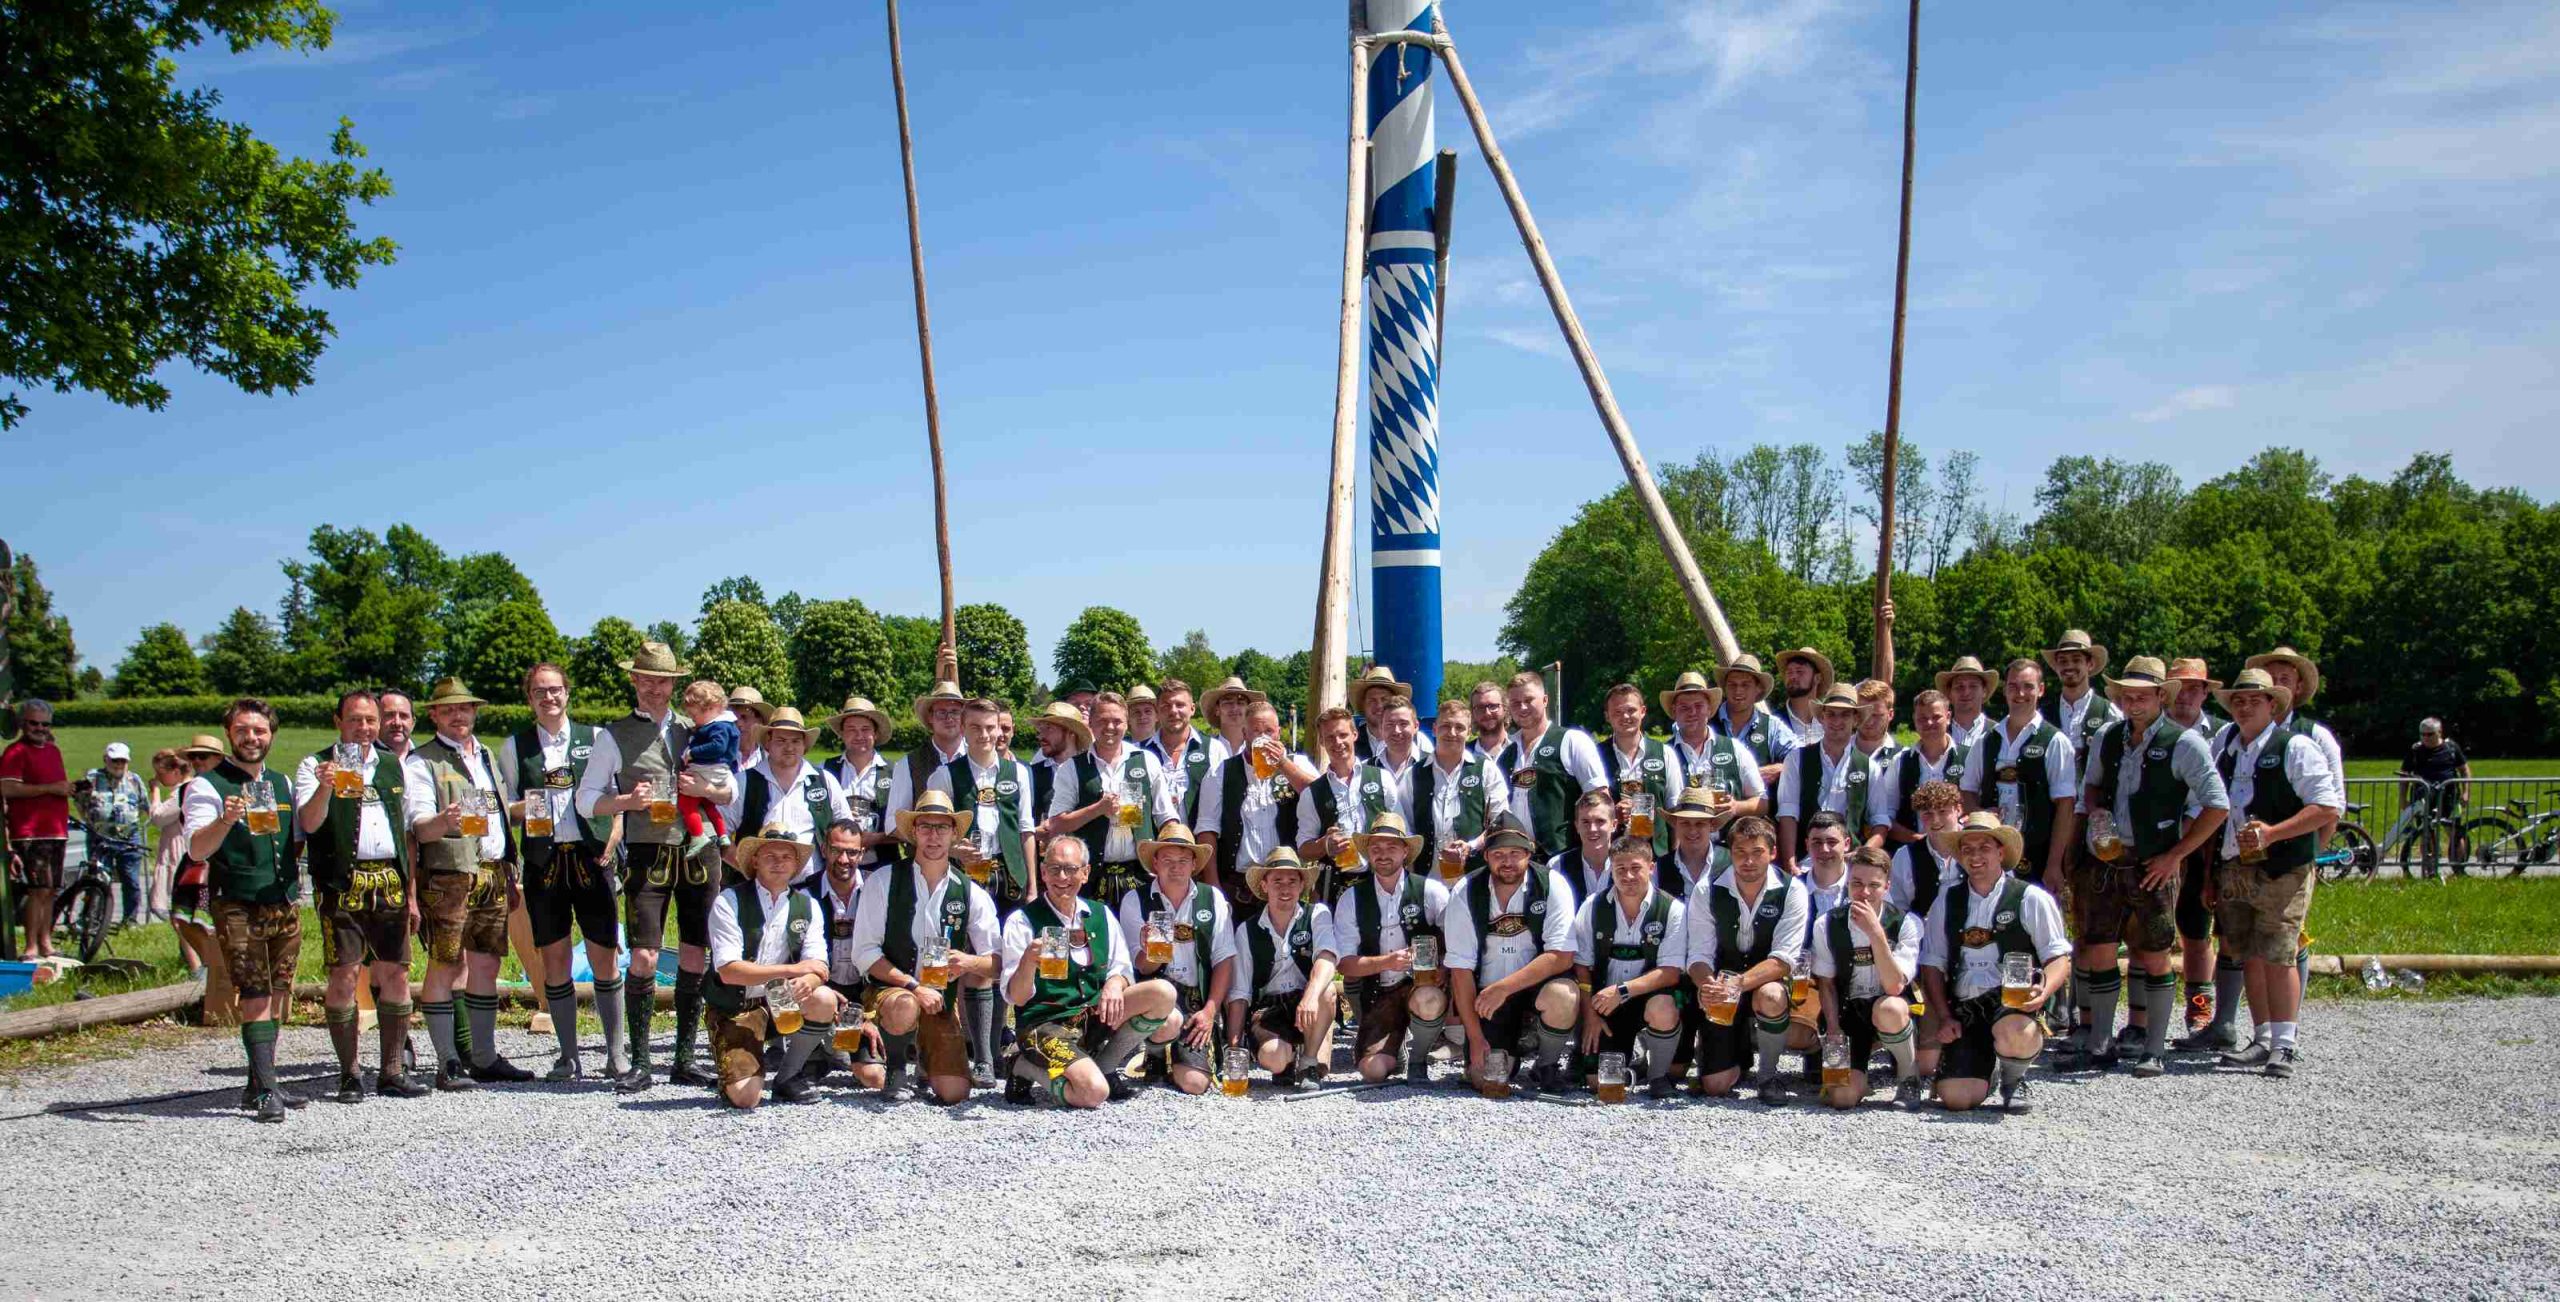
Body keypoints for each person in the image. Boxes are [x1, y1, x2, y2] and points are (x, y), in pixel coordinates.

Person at [572, 640, 737, 1092]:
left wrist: (710, 792)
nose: (653, 688)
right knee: (644, 955)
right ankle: (641, 1062)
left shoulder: (696, 726)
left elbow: (731, 789)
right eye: (645, 679)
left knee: (695, 951)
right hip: (648, 850)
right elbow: (585, 800)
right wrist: (626, 801)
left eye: (662, 681)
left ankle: (684, 1058)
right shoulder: (613, 735)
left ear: (673, 684)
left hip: (699, 849)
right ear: (634, 680)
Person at [2069, 656, 2229, 1077]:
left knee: (2156, 953)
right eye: (2127, 695)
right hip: (2106, 861)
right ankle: (2100, 1043)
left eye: (2142, 695)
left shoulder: (2185, 742)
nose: (2133, 702)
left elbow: (2218, 805)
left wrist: (2176, 854)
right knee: (2100, 949)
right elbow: (2091, 786)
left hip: (2153, 862)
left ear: (2161, 696)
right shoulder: (2107, 736)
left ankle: (2153, 1047)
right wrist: (2095, 813)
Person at [296, 690, 439, 1103]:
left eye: (370, 720)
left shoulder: (393, 765)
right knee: (344, 974)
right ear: (338, 721)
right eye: (355, 720)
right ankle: (349, 1073)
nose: (364, 728)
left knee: (396, 974)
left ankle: (392, 1070)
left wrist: (411, 894)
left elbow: (407, 833)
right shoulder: (314, 764)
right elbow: (309, 823)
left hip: (390, 880)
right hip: (342, 882)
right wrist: (325, 787)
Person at [496, 662, 631, 1084]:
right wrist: (534, 801)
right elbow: (505, 809)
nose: (548, 697)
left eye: (555, 689)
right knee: (554, 959)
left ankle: (615, 1053)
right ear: (529, 698)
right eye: (539, 691)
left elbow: (617, 797)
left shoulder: (597, 738)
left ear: (567, 693)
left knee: (604, 954)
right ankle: (568, 1056)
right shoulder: (515, 746)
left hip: (591, 856)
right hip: (545, 860)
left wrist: (614, 837)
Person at [2208, 668, 2342, 1079]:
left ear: (2272, 704)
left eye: (2254, 700)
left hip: (2282, 865)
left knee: (2279, 952)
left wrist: (2273, 833)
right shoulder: (2226, 747)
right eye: (2238, 701)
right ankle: (2263, 1037)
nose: (2244, 707)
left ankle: (2285, 1044)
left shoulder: (2296, 746)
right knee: (2247, 950)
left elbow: (2327, 807)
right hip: (2235, 864)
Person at [182, 699, 307, 1121]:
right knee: (254, 993)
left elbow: (294, 841)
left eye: (259, 730)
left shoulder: (281, 782)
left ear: (271, 735)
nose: (252, 737)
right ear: (229, 734)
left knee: (278, 992)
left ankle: (260, 1083)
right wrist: (224, 820)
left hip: (282, 899)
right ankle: (267, 1090)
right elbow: (197, 849)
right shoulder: (207, 786)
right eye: (242, 730)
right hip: (237, 901)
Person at [407, 677, 532, 1087]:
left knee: (486, 963)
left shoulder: (486, 755)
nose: (457, 715)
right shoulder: (422, 761)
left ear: (475, 711)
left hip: (492, 871)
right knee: (445, 963)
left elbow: (498, 814)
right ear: (434, 715)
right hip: (449, 875)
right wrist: (444, 821)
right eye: (448, 710)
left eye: (464, 708)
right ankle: (447, 1062)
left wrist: (527, 816)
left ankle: (483, 1056)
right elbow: (419, 827)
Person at [849, 789, 1000, 1104]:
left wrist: (969, 963)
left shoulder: (970, 892)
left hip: (939, 1000)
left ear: (954, 834)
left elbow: (998, 961)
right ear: (913, 832)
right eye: (926, 827)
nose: (933, 836)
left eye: (942, 827)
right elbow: (864, 953)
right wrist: (914, 986)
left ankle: (924, 1059)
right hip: (892, 992)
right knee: (905, 1004)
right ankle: (895, 1068)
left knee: (955, 1093)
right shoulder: (883, 880)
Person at [1916, 812, 2073, 1113]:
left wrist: (2043, 992)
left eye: (1984, 848)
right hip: (1966, 1007)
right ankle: (1991, 1068)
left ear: (2001, 852)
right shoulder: (1946, 901)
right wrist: (1945, 1016)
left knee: (2016, 1032)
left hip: (2011, 1003)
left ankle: (2014, 1078)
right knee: (1957, 1099)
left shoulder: (2030, 898)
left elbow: (2058, 958)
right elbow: (1932, 966)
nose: (1975, 856)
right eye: (1967, 849)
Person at [1003, 836, 1177, 1107]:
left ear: (1085, 873)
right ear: (1043, 872)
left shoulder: (1100, 914)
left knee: (1163, 994)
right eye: (1054, 869)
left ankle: (1106, 1067)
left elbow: (1122, 968)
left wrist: (1114, 984)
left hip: (1090, 1017)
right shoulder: (1022, 921)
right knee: (1092, 1093)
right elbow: (1017, 998)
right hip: (1044, 1025)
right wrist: (1027, 962)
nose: (1062, 877)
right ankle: (1023, 1066)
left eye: (1071, 869)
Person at [927, 698, 1035, 1086]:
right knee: (973, 960)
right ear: (963, 729)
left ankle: (994, 1047)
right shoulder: (945, 775)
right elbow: (934, 830)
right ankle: (981, 1055)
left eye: (992, 728)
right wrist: (954, 850)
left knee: (1004, 958)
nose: (985, 735)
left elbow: (1026, 829)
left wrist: (1033, 885)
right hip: (966, 877)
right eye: (976, 728)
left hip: (1008, 876)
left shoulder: (1017, 772)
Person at [1442, 814, 1580, 1093]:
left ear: (1529, 852)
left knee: (1564, 995)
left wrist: (1505, 988)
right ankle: (1512, 1050)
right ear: (1486, 856)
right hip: (1488, 996)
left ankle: (1547, 1064)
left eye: (1515, 853)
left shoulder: (1552, 884)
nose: (1507, 861)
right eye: (1498, 854)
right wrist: (1475, 1038)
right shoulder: (1466, 891)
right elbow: (1460, 970)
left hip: (1535, 989)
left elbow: (1561, 955)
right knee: (1487, 1079)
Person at [703, 828, 840, 1109]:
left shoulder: (808, 905)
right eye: (770, 856)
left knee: (824, 999)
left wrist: (810, 980)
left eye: (786, 856)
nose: (779, 862)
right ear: (754, 860)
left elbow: (819, 966)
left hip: (780, 1001)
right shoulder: (729, 900)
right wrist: (794, 971)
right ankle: (736, 1068)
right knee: (746, 1098)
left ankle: (788, 1076)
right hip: (735, 1007)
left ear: (796, 864)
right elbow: (729, 971)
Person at [1682, 815, 1809, 1104]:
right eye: (1740, 852)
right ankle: (1737, 1054)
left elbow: (1783, 959)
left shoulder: (1792, 890)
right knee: (1716, 1086)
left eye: (1757, 852)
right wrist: (1708, 986)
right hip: (1722, 986)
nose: (1748, 861)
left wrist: (1737, 984)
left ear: (1773, 853)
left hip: (1764, 982)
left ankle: (1768, 1075)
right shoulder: (1707, 889)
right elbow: (1699, 954)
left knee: (1772, 995)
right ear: (1730, 853)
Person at [1330, 812, 1451, 1084]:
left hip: (1420, 986)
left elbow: (1457, 942)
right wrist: (1388, 962)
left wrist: (1443, 968)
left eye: (1391, 847)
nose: (1383, 854)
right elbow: (1345, 965)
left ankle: (1418, 1059)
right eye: (1376, 848)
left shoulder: (1431, 891)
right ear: (1368, 854)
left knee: (1429, 999)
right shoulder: (1351, 898)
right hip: (1377, 992)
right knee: (1372, 1072)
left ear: (1405, 851)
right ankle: (1396, 1050)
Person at [1116, 820, 1233, 1094]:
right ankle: (1156, 1051)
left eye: (1183, 860)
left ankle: (1170, 1058)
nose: (1175, 867)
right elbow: (1141, 967)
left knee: (1195, 1084)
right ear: (1155, 863)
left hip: (1195, 1001)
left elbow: (1224, 959)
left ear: (1194, 864)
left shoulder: (1212, 898)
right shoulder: (1135, 900)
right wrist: (1151, 950)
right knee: (1168, 1020)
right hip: (1156, 996)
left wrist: (1210, 1011)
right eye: (1167, 860)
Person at [1571, 834, 1688, 1099]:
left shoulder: (1672, 909)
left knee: (1664, 1007)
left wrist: (1622, 991)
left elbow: (1671, 972)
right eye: (1620, 869)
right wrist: (1590, 1016)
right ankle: (1633, 1058)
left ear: (1651, 867)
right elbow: (1581, 966)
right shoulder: (1592, 906)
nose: (1628, 876)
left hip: (1647, 997)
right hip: (1604, 1004)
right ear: (1611, 870)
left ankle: (1658, 1076)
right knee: (1598, 1083)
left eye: (1636, 868)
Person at [1811, 846, 1924, 1109]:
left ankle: (1909, 1078)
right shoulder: (1826, 924)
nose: (1864, 892)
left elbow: (1895, 986)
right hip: (1849, 1013)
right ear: (1847, 884)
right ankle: (1861, 1080)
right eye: (1857, 883)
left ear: (1887, 887)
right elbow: (1826, 984)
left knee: (1890, 1008)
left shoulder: (1906, 923)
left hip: (1891, 1009)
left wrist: (1875, 933)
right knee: (1842, 1099)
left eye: (1874, 885)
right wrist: (1833, 1029)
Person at [1041, 692, 1178, 908]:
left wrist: (1174, 853)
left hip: (1141, 874)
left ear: (1127, 723)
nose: (1110, 727)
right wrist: (1097, 809)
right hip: (1091, 877)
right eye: (1103, 721)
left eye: (1117, 721)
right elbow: (1056, 825)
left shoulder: (1146, 761)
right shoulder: (1072, 767)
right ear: (1091, 723)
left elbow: (1166, 816)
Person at [1224, 848, 1342, 1091]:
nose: (1285, 888)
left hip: (1306, 1001)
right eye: (1277, 881)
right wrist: (1234, 1047)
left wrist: (1310, 996)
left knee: (1327, 990)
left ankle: (1309, 1062)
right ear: (1264, 885)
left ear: (1302, 886)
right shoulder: (1246, 930)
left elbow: (1327, 957)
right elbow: (1240, 992)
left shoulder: (1316, 914)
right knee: (1274, 1059)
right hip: (1268, 1008)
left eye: (1292, 881)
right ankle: (1286, 1060)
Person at [1963, 659, 2079, 894]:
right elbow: (1966, 790)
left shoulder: (2055, 741)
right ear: (2005, 690)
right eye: (2014, 686)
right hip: (1990, 855)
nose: (2020, 693)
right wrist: (1979, 815)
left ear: (2041, 690)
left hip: (2039, 856)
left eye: (2028, 686)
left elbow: (2066, 807)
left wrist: (2054, 864)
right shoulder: (1985, 741)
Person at [2163, 657, 2231, 1038]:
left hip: (2205, 843)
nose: (2185, 696)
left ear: (2205, 692)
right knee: (2148, 931)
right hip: (2158, 841)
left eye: (2193, 688)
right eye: (2178, 688)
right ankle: (2145, 1017)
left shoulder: (2221, 735)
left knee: (2197, 928)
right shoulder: (2153, 729)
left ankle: (2200, 1009)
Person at [721, 706, 855, 885]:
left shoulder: (825, 781)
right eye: (781, 741)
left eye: (795, 741)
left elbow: (847, 831)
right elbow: (719, 834)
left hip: (813, 886)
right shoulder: (743, 782)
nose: (789, 747)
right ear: (767, 743)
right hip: (756, 887)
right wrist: (746, 869)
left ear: (804, 745)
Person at [1196, 699, 1315, 899]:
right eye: (1256, 731)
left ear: (1279, 732)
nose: (1263, 737)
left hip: (1287, 883)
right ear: (1244, 734)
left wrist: (1283, 764)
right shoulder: (1220, 772)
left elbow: (1320, 796)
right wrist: (1213, 887)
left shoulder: (1298, 764)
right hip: (1237, 886)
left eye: (1268, 731)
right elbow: (1207, 830)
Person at [805, 821, 887, 1090]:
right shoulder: (803, 893)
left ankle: (839, 1051)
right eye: (836, 850)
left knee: (874, 1079)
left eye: (852, 852)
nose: (843, 859)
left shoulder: (879, 888)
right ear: (823, 849)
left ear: (862, 853)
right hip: (820, 992)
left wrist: (869, 1017)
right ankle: (818, 1049)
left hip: (863, 993)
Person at [1774, 684, 1887, 872]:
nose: (1837, 721)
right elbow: (1788, 814)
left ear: (1856, 719)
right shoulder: (1796, 759)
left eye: (1845, 715)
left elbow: (1880, 822)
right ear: (1822, 717)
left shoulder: (1869, 767)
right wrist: (1790, 863)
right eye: (1831, 714)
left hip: (1850, 865)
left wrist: (1862, 855)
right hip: (1806, 863)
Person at [1497, 670, 1608, 860]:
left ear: (1545, 700)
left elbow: (1600, 799)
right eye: (1515, 703)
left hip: (1565, 856)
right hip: (1518, 859)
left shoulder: (1572, 740)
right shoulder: (1506, 753)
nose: (1522, 707)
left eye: (1529, 700)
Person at [1294, 707, 1394, 901]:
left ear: (1355, 734)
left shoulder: (1382, 778)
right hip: (1333, 886)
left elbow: (1401, 830)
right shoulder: (1311, 793)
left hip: (1380, 881)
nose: (1337, 742)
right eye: (1330, 737)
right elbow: (1304, 850)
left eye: (1342, 735)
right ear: (1322, 742)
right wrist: (1325, 844)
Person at [0, 699, 72, 958]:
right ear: (23, 723)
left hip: (56, 829)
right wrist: (50, 788)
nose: (40, 728)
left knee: (51, 890)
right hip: (31, 831)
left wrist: (67, 789)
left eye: (45, 724)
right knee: (38, 889)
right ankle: (31, 946)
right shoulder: (16, 752)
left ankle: (46, 942)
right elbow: (7, 787)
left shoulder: (53, 751)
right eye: (34, 723)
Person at [1659, 670, 1767, 827]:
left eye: (1698, 706)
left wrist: (1736, 807)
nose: (1692, 712)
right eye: (1684, 707)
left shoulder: (1734, 748)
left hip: (1728, 841)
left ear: (1709, 709)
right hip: (1681, 840)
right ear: (1674, 711)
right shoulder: (1662, 754)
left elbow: (1762, 802)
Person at [1420, 702, 1509, 884]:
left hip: (1474, 880)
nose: (1452, 733)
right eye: (1445, 726)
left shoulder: (1486, 769)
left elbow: (1501, 822)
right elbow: (1405, 828)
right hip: (1426, 882)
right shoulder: (1413, 774)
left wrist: (1471, 846)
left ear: (1469, 732)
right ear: (1435, 729)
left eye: (1459, 727)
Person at [883, 680, 971, 860]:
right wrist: (940, 846)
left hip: (973, 863)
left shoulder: (976, 759)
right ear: (930, 717)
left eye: (955, 711)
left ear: (963, 717)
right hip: (923, 864)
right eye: (941, 712)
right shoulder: (908, 764)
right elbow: (892, 823)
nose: (949, 718)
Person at [147, 747, 214, 978]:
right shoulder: (185, 789)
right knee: (182, 915)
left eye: (161, 773)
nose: (158, 778)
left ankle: (198, 967)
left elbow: (158, 818)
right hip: (178, 851)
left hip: (180, 854)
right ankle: (194, 962)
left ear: (175, 771)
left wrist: (154, 792)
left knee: (182, 916)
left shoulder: (183, 791)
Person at [1874, 689, 1970, 847]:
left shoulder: (1969, 756)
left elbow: (1977, 805)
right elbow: (1885, 814)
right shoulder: (1900, 760)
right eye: (1923, 718)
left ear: (1948, 717)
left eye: (1936, 717)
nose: (1929, 723)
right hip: (1913, 851)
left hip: (1960, 849)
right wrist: (1917, 840)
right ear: (1915, 720)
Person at [1598, 682, 1683, 858]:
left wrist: (1675, 859)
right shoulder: (1595, 755)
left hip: (1657, 857)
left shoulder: (1665, 754)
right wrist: (1612, 813)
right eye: (1617, 712)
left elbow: (1676, 812)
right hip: (1611, 857)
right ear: (1607, 716)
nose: (1625, 716)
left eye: (1631, 710)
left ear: (1643, 711)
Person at [820, 696, 898, 873]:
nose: (859, 736)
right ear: (842, 734)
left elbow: (907, 827)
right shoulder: (823, 770)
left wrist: (876, 838)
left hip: (883, 868)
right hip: (836, 867)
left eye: (865, 729)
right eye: (851, 730)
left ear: (875, 733)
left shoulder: (895, 771)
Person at [80, 741, 152, 927]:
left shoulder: (134, 780)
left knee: (131, 881)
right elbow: (79, 801)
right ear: (105, 759)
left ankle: (130, 920)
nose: (119, 764)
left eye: (123, 761)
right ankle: (93, 919)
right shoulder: (92, 778)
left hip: (129, 837)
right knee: (98, 879)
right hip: (100, 837)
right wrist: (90, 820)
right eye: (115, 760)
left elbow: (145, 805)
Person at [1710, 654, 1797, 787]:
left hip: (1761, 800)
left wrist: (1781, 768)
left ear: (1758, 689)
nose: (1738, 690)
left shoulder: (1772, 726)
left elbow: (1802, 758)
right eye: (1732, 684)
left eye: (1745, 685)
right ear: (1725, 688)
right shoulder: (1706, 723)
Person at [677, 680, 742, 855]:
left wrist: (692, 753)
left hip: (710, 770)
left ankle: (698, 836)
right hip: (717, 772)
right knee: (708, 805)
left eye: (694, 714)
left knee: (686, 803)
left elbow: (718, 747)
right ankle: (722, 834)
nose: (692, 719)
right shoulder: (724, 724)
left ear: (711, 708)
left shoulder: (718, 726)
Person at [1142, 678, 1215, 826]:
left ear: (1192, 709)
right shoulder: (1138, 753)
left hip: (1202, 839)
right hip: (1153, 840)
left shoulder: (1214, 749)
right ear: (1157, 711)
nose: (1173, 711)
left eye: (1180, 705)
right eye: (1166, 706)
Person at [2040, 629, 2121, 755]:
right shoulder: (2042, 714)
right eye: (2063, 661)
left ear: (2090, 664)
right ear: (2056, 666)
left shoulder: (2109, 712)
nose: (2069, 666)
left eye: (2076, 660)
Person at [1655, 787, 1731, 897]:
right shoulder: (1660, 867)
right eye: (1685, 823)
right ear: (1676, 824)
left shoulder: (1730, 862)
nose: (1692, 831)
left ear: (1712, 825)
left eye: (1700, 824)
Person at [1550, 790, 1620, 907]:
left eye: (1600, 821)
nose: (1592, 829)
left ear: (1614, 825)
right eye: (1585, 822)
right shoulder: (1558, 865)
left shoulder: (1628, 865)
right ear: (1577, 826)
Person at [1771, 647, 1837, 749]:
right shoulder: (1773, 723)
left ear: (1817, 678)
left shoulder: (1832, 722)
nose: (1793, 677)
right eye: (1789, 672)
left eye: (1799, 671)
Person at [1349, 665, 1411, 761]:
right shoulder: (1350, 743)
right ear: (1363, 705)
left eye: (1384, 699)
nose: (1379, 705)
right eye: (1372, 700)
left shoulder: (1417, 741)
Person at [1935, 655, 1998, 751]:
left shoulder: (1999, 734)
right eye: (1959, 686)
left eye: (1973, 686)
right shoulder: (1937, 735)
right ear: (1950, 693)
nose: (1966, 692)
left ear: (1984, 691)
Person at [1852, 679, 1900, 765]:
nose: (1869, 722)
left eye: (1876, 715)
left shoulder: (1903, 757)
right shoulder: (1837, 751)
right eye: (1863, 714)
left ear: (1890, 715)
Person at [724, 685, 770, 775]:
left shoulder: (770, 761)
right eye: (734, 718)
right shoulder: (716, 756)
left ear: (760, 721)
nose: (739, 723)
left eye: (744, 717)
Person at [1466, 679, 1510, 762]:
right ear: (1472, 713)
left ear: (1505, 708)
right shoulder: (1463, 754)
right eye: (1480, 708)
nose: (1487, 713)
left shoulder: (1521, 748)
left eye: (1493, 706)